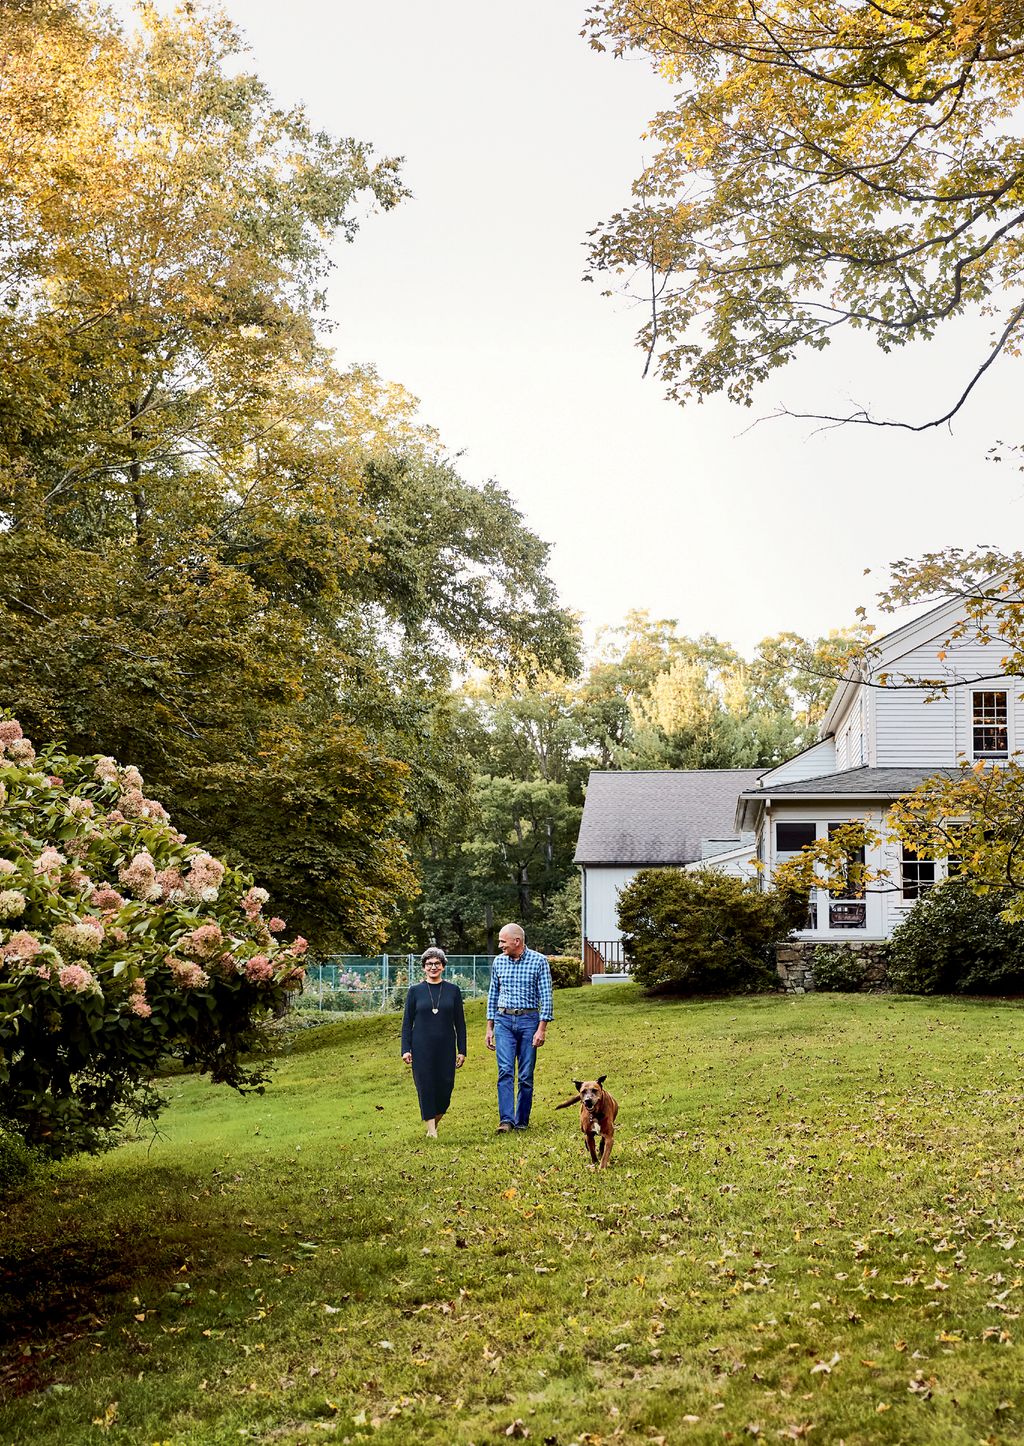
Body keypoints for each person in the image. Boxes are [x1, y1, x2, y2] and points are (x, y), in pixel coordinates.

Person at [485, 922, 553, 1133]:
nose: (500, 945)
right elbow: (493, 995)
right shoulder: (499, 962)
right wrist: (490, 1027)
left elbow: (546, 997)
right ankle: (506, 1120)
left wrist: (542, 1028)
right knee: (505, 1071)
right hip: (503, 1021)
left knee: (525, 1075)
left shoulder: (539, 961)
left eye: (503, 941)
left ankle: (521, 1121)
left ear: (517, 941)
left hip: (529, 1022)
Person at [401, 947, 466, 1138]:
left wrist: (462, 1050)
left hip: (446, 1048)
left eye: (437, 963)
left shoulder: (453, 991)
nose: (433, 967)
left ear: (443, 966)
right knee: (426, 1086)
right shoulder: (415, 991)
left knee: (445, 1088)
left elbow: (460, 1024)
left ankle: (433, 1127)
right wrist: (406, 1049)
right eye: (429, 964)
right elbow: (407, 1023)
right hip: (421, 1048)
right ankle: (432, 1131)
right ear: (423, 967)